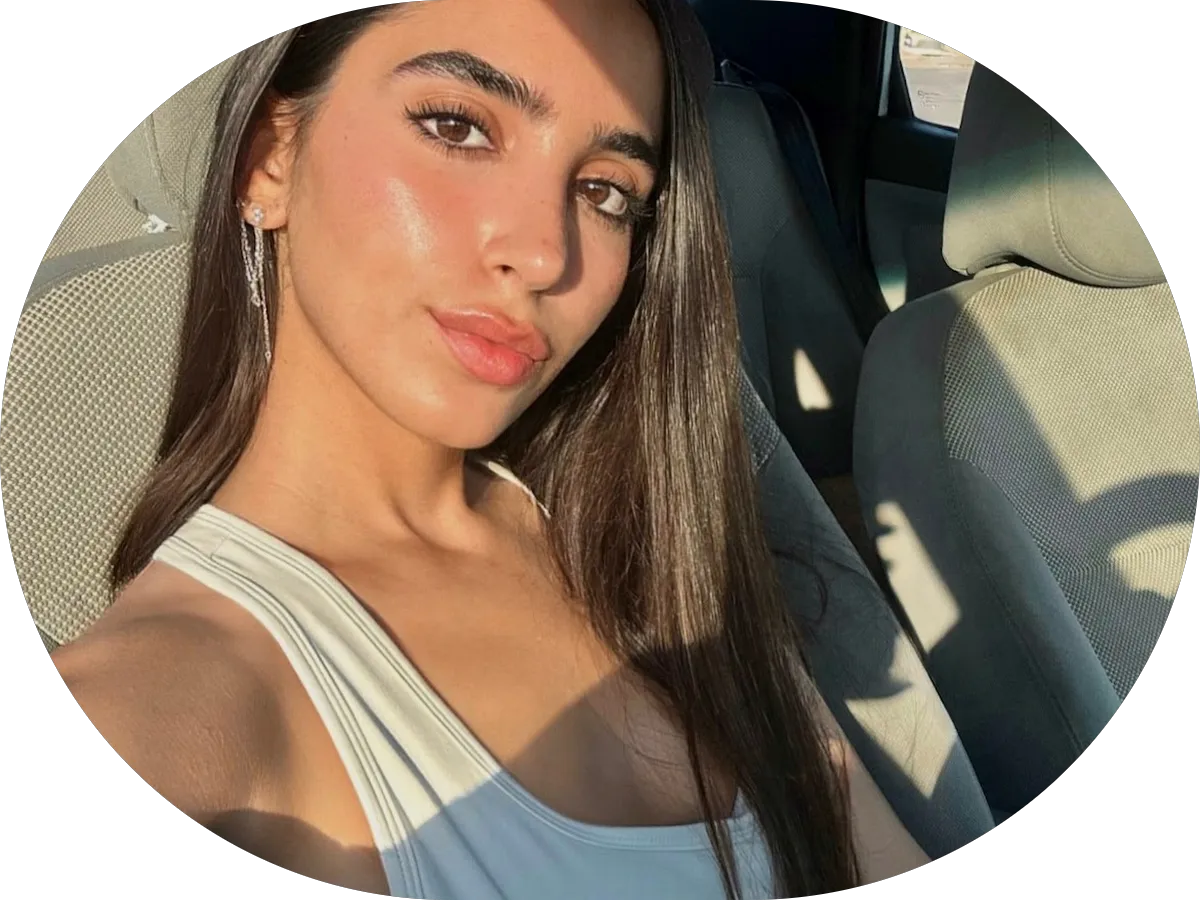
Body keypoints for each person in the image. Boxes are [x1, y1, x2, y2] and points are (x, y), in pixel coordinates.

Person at [49, 1, 929, 897]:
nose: (546, 255)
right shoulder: (171, 694)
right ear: (269, 159)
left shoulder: (650, 532)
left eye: (605, 192)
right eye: (456, 127)